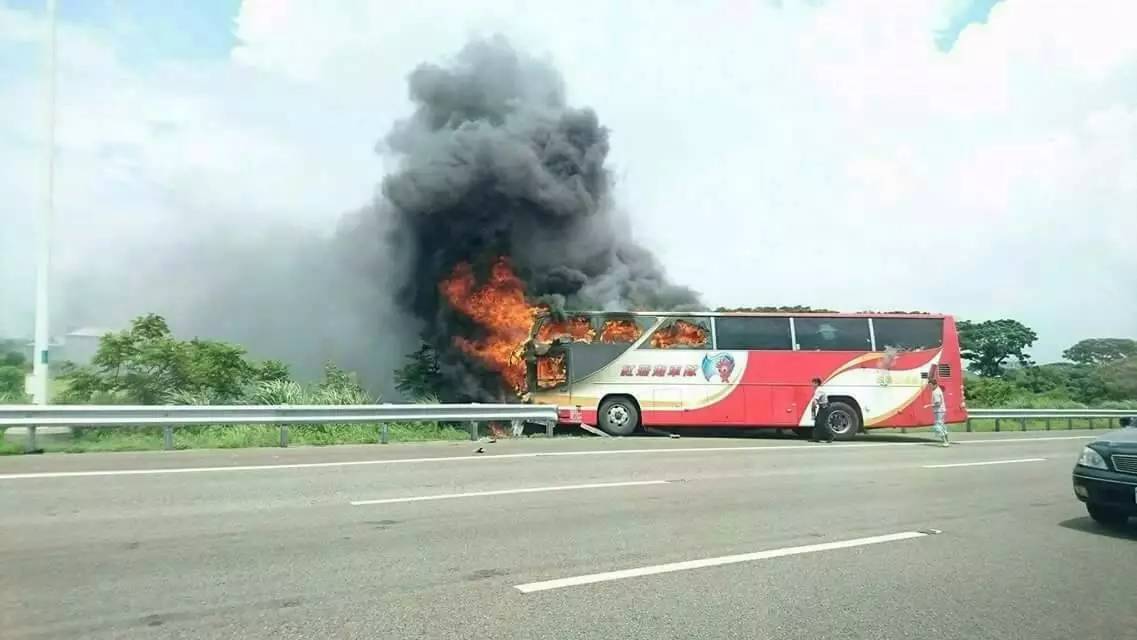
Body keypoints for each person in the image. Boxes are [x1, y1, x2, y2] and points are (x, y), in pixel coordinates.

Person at [925, 378, 949, 447]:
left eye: (930, 385)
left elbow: (938, 403)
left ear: (934, 385)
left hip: (938, 411)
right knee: (942, 425)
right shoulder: (938, 390)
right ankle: (947, 441)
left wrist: (928, 405)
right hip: (941, 411)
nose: (930, 387)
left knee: (938, 427)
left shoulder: (936, 392)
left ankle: (945, 441)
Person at [810, 377, 833, 443]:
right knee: (817, 423)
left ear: (817, 383)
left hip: (825, 408)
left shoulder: (819, 390)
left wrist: (813, 413)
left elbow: (815, 402)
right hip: (822, 408)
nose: (812, 385)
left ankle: (830, 435)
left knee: (821, 423)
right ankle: (816, 438)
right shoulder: (818, 389)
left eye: (814, 383)